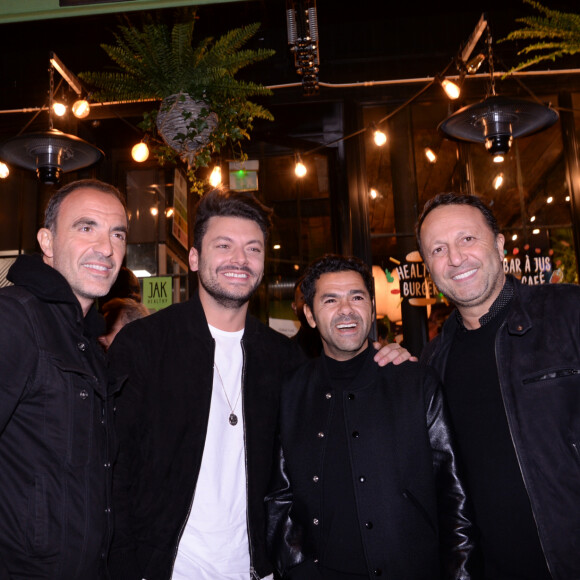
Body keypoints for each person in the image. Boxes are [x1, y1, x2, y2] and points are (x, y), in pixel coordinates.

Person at [107, 188, 411, 580]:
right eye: (224, 245)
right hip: (164, 568)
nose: (240, 259)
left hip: (258, 569)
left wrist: (386, 361)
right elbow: (114, 469)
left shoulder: (284, 359)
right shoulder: (145, 344)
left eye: (253, 249)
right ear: (195, 257)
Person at [265, 254, 476, 580]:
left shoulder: (416, 382)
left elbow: (455, 497)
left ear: (371, 306)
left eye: (357, 297)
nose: (346, 309)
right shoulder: (292, 391)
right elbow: (280, 496)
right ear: (309, 314)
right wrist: (297, 568)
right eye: (330, 300)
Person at [416, 192, 580, 580]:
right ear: (429, 267)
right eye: (438, 249)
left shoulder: (569, 312)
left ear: (500, 244)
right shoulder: (430, 365)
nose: (455, 258)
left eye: (467, 239)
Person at [0, 179, 128, 579]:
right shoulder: (16, 318)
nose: (106, 248)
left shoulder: (85, 339)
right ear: (47, 241)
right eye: (86, 227)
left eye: (117, 234)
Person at [291, 275, 322, 358]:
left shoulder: (341, 347)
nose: (310, 303)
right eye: (304, 298)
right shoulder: (286, 351)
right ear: (294, 308)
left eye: (314, 298)